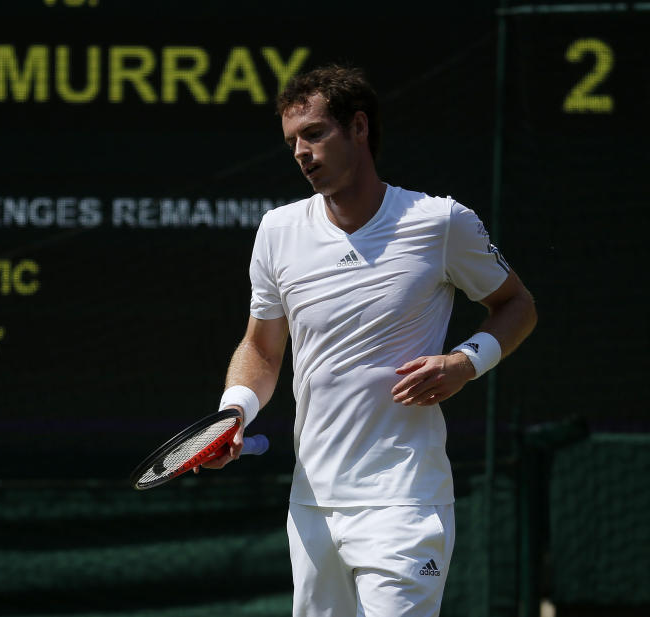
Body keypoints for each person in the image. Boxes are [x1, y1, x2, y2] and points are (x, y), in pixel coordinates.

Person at [200, 65, 537, 616]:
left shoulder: (441, 221)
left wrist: (465, 362)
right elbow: (261, 348)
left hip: (404, 501)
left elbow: (517, 305)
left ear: (359, 128)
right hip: (311, 506)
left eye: (314, 133)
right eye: (292, 142)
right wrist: (232, 415)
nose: (301, 153)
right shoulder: (277, 231)